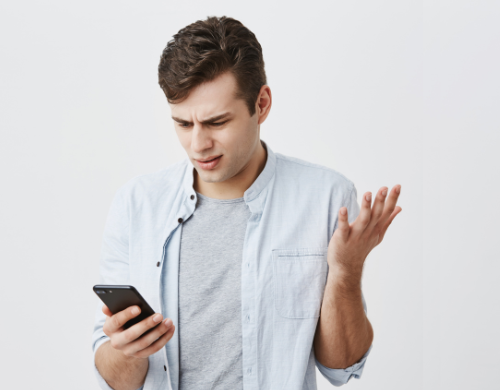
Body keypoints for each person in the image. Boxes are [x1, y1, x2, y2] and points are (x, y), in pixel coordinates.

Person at [91, 15, 402, 390]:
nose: (198, 145)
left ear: (262, 104)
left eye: (217, 122)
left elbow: (341, 367)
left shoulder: (326, 198)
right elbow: (116, 379)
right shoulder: (137, 205)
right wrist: (126, 350)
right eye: (183, 124)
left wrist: (346, 271)